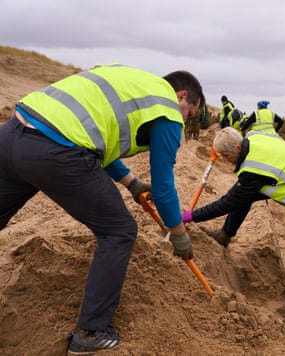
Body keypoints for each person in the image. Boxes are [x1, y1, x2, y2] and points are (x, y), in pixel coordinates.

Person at [0, 64, 202, 354]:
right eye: (190, 113)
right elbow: (164, 189)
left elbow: (96, 137)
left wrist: (131, 182)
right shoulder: (168, 109)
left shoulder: (128, 80)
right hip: (55, 150)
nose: (185, 119)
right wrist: (179, 234)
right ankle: (91, 333)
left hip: (12, 134)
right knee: (119, 231)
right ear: (182, 95)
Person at [182, 127, 285, 300]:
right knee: (242, 197)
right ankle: (225, 235)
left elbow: (227, 203)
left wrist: (192, 216)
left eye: (226, 156)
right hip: (284, 174)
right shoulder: (252, 137)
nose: (225, 160)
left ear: (238, 148)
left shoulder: (253, 170)